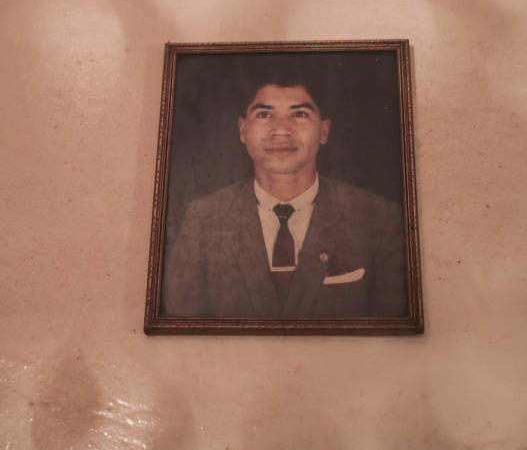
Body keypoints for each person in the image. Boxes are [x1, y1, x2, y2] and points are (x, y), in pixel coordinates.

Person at [160, 69, 408, 318]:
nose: (281, 129)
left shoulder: (378, 219)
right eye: (264, 114)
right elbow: (180, 327)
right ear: (243, 129)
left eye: (299, 114)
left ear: (324, 131)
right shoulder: (204, 219)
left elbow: (394, 336)